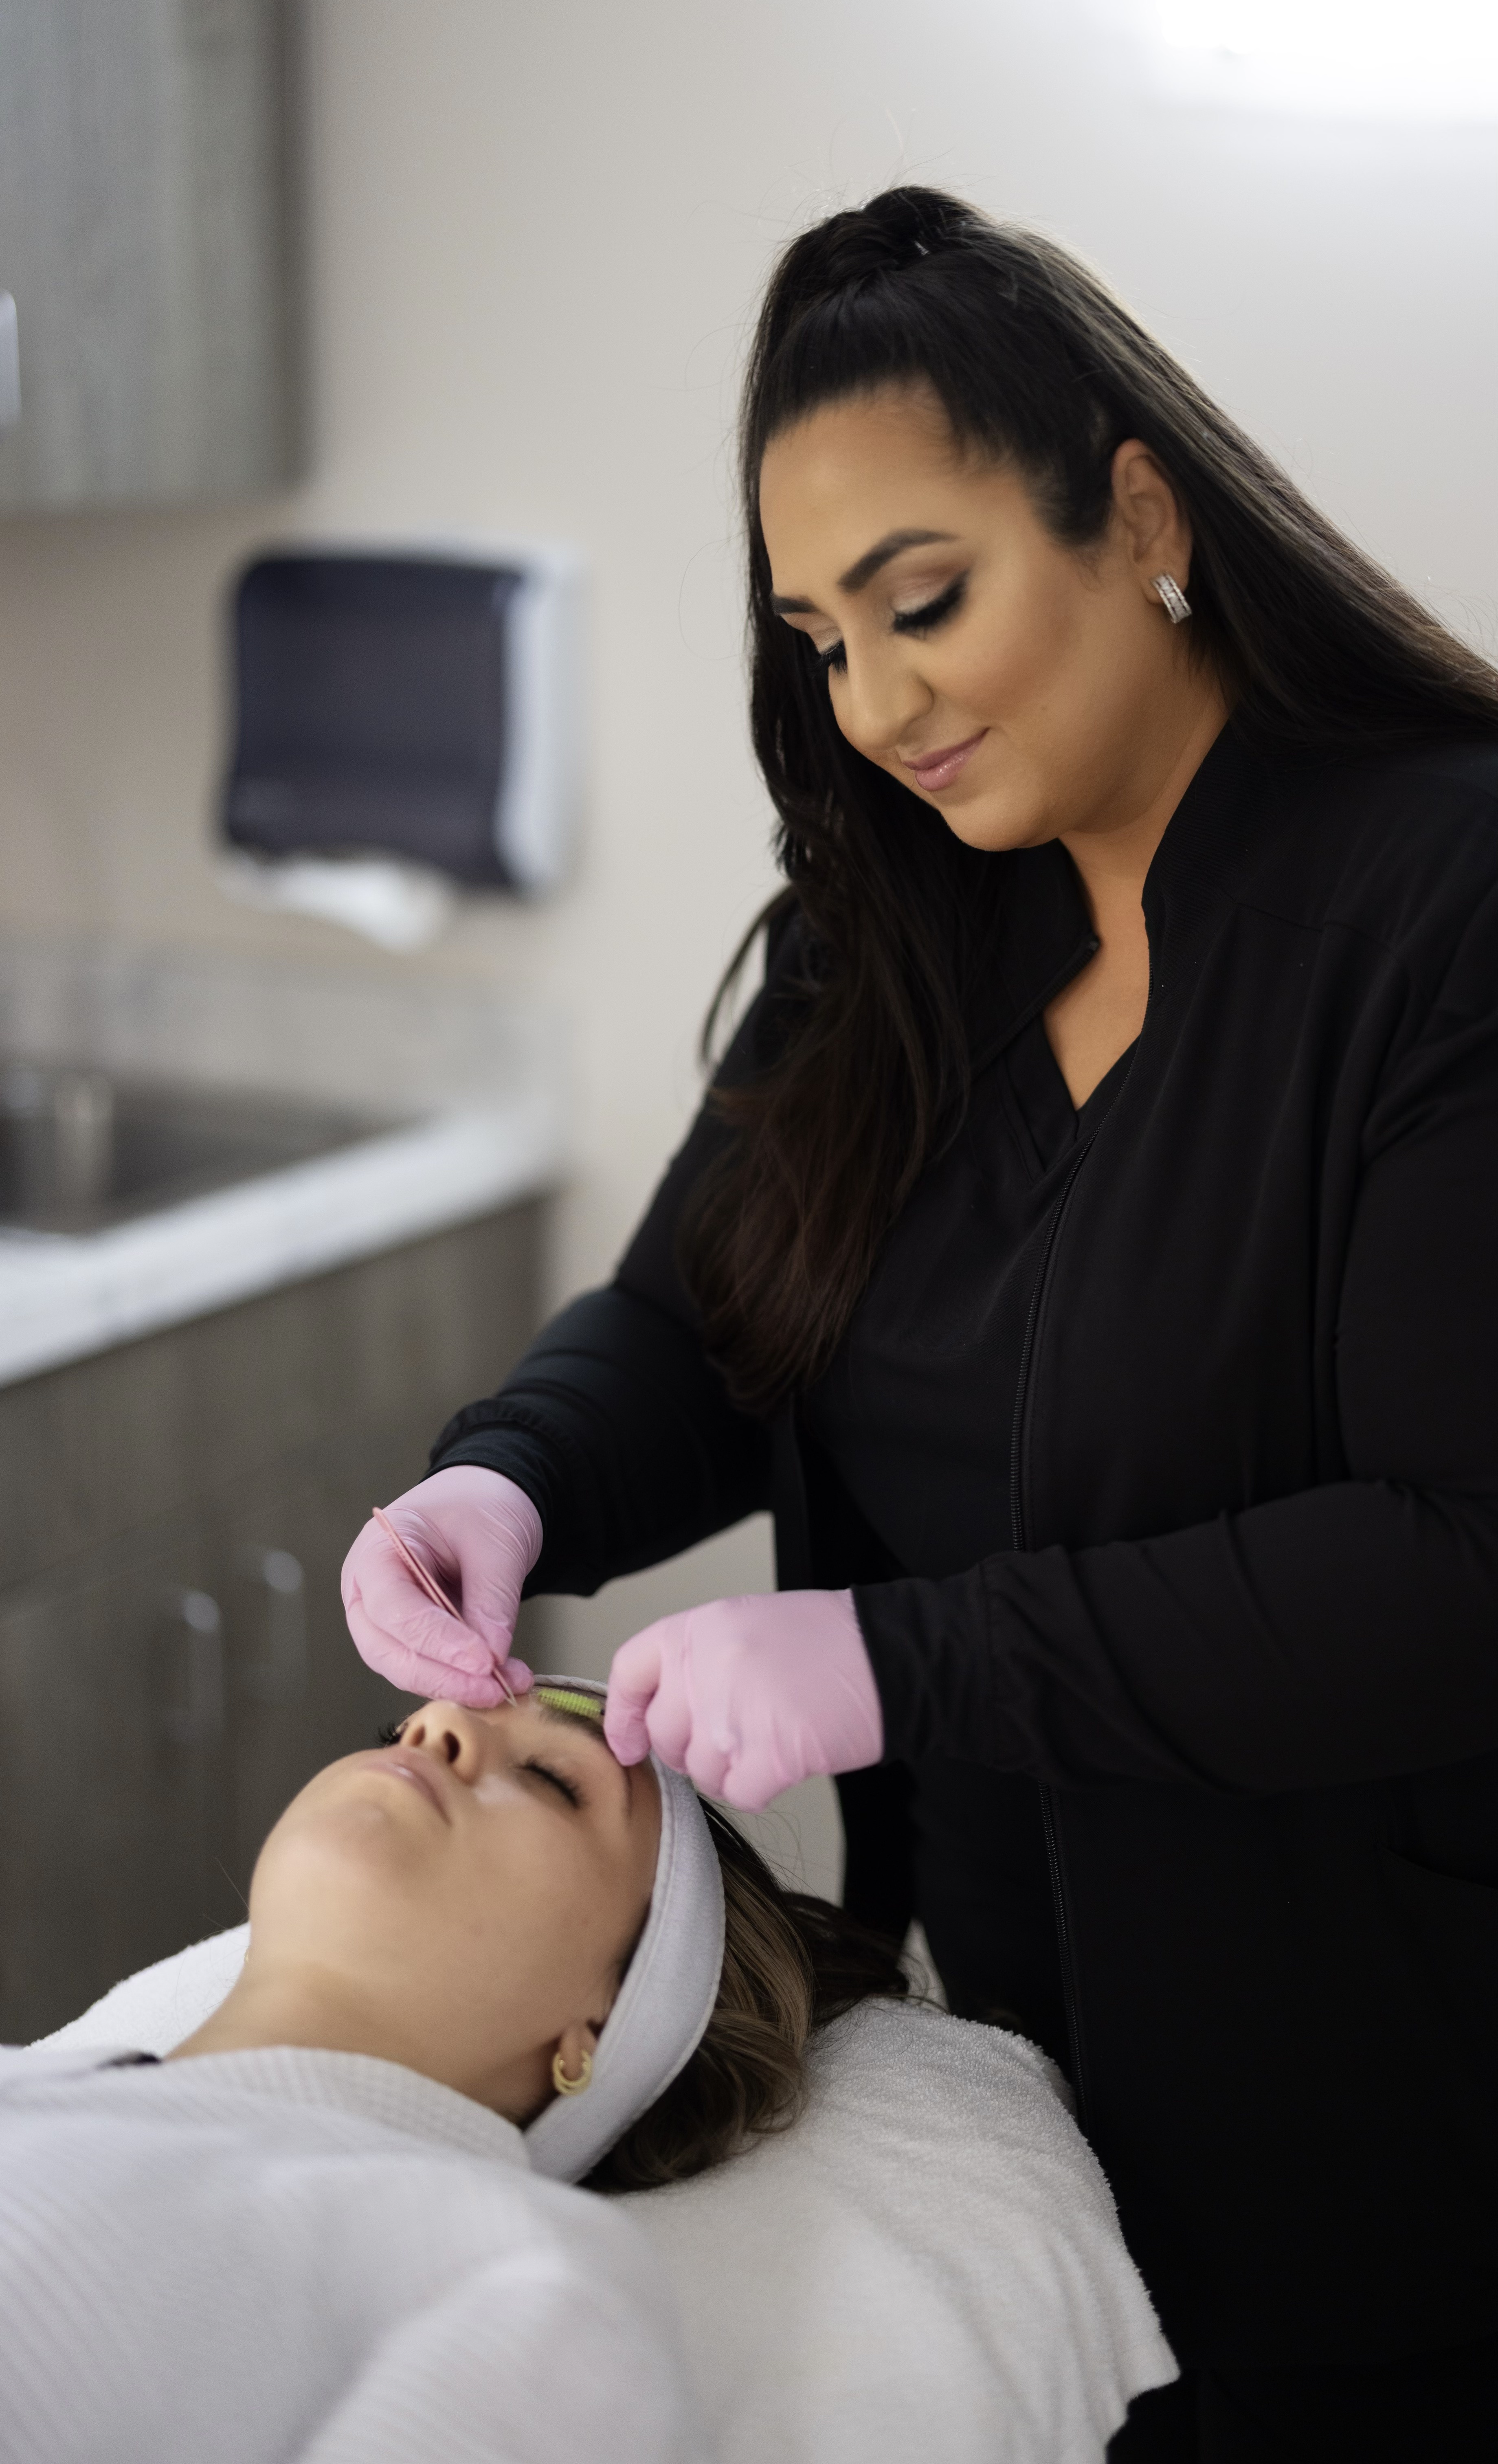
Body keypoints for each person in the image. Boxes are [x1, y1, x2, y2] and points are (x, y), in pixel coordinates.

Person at [341, 188, 1498, 2457]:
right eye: (817, 641)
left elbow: (1457, 1561)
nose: (873, 707)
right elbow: (694, 1320)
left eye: (921, 603)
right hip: (996, 2139)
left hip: (1389, 2162)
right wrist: (508, 1470)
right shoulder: (884, 943)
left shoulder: (1437, 904)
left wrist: (903, 1657)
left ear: (1134, 515)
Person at [0, 1680, 907, 2462]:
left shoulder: (520, 2284)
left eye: (554, 1779)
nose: (437, 1728)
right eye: (395, 1730)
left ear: (600, 2025)